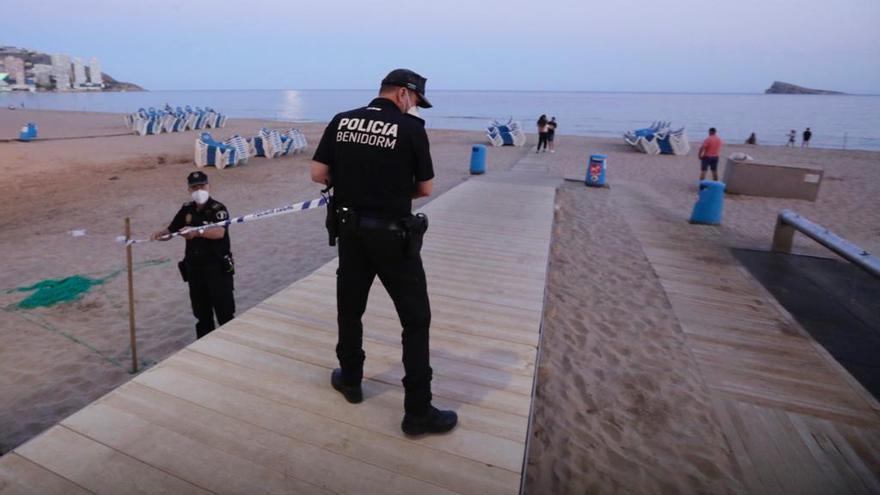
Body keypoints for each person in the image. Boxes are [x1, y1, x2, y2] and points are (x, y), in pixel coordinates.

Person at [310, 68, 457, 436]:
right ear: (404, 95)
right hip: (393, 237)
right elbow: (424, 188)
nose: (415, 109)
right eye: (416, 102)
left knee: (350, 308)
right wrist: (390, 192)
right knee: (415, 320)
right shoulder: (411, 130)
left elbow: (317, 173)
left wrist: (355, 187)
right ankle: (418, 410)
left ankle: (351, 379)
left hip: (351, 233)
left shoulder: (342, 121)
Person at [151, 171, 235, 339]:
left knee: (224, 312)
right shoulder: (187, 209)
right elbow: (172, 229)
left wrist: (197, 232)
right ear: (189, 190)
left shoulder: (218, 209)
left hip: (216, 267)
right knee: (202, 314)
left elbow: (219, 232)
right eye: (194, 187)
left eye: (202, 186)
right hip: (195, 268)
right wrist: (162, 234)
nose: (199, 190)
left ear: (208, 186)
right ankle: (205, 345)